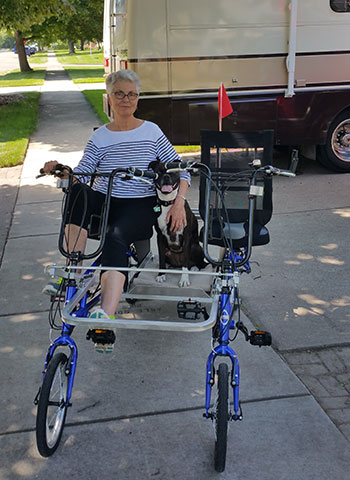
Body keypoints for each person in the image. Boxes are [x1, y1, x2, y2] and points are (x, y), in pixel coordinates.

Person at [42, 69, 190, 352]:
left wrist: (179, 201)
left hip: (138, 205)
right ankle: (72, 271)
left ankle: (106, 318)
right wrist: (61, 171)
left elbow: (180, 169)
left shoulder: (151, 131)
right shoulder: (100, 137)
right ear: (109, 97)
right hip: (106, 199)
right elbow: (83, 173)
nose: (125, 99)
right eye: (119, 93)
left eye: (131, 94)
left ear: (138, 99)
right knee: (77, 192)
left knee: (115, 237)